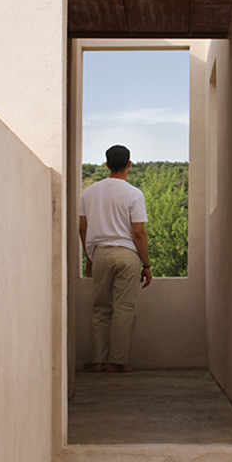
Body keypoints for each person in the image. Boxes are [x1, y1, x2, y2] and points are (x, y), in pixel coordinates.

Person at [79, 144, 152, 372]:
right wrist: (147, 265)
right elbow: (138, 232)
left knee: (101, 308)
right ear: (129, 164)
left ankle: (98, 361)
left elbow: (83, 227)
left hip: (100, 253)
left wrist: (89, 255)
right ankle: (116, 362)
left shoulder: (89, 192)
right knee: (124, 308)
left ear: (107, 164)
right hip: (127, 255)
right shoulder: (134, 194)